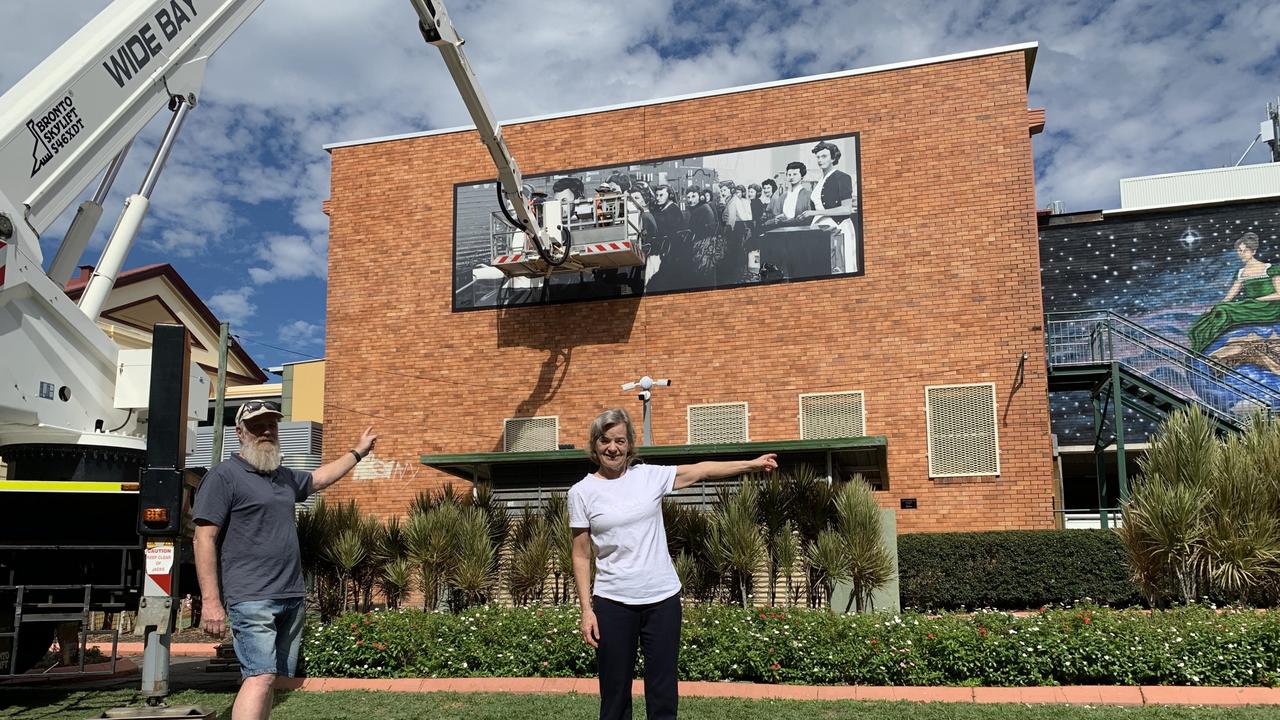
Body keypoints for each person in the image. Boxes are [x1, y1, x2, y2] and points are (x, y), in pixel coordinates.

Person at [570, 408, 777, 720]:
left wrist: (752, 463)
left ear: (630, 445)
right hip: (612, 602)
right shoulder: (582, 492)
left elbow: (702, 470)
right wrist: (587, 610)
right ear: (594, 445)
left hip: (661, 600)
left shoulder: (649, 477)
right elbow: (581, 554)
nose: (612, 447)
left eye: (620, 440)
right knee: (614, 694)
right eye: (605, 440)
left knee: (663, 690)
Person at [193, 401, 377, 720]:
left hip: (290, 596)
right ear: (239, 432)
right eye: (256, 425)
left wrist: (357, 453)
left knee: (269, 679)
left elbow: (319, 479)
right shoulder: (224, 476)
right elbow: (203, 539)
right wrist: (210, 601)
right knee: (260, 675)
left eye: (271, 425)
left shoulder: (281, 477)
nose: (266, 431)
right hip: (251, 597)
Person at [1187, 232, 1280, 353]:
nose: (1241, 254)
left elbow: (1279, 294)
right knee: (1220, 309)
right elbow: (1230, 296)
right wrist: (1216, 306)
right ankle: (1200, 343)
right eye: (1239, 251)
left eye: (1245, 251)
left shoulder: (1270, 269)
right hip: (1252, 304)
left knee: (1226, 311)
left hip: (1269, 306)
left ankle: (1203, 347)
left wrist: (1258, 300)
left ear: (1253, 252)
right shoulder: (1241, 272)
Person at [801, 141, 857, 273]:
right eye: (818, 157)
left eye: (824, 156)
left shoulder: (842, 177)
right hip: (821, 231)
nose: (820, 160)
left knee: (840, 268)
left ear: (833, 158)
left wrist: (814, 213)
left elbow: (846, 209)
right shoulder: (820, 180)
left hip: (838, 229)